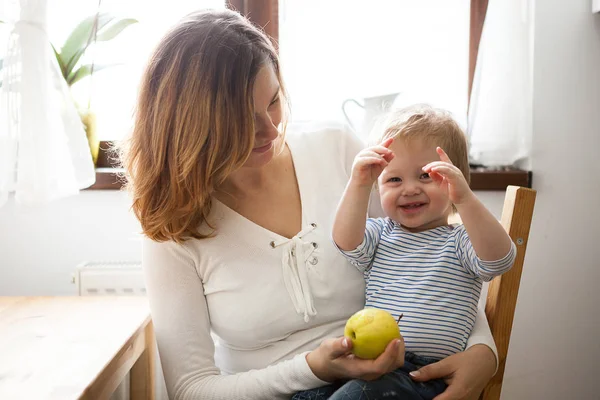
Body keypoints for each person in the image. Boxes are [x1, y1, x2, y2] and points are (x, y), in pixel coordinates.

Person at [120, 8, 499, 400]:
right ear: (192, 124)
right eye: (242, 118)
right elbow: (191, 388)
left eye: (272, 102)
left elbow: (436, 258)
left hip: (388, 386)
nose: (269, 130)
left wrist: (483, 351)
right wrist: (311, 369)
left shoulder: (337, 150)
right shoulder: (172, 223)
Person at [293, 105, 515, 400]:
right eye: (393, 180)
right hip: (373, 365)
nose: (409, 189)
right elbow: (345, 241)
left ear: (455, 180)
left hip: (427, 374)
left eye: (425, 176)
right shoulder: (380, 234)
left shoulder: (462, 241)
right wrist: (358, 183)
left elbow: (500, 260)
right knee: (306, 396)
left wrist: (466, 200)